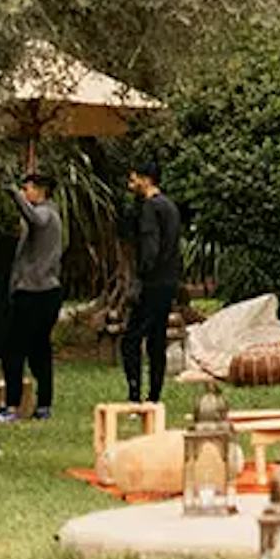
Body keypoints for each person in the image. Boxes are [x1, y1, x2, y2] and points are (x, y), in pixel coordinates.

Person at [0, 169, 65, 420]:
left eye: (28, 189)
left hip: (36, 294)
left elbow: (34, 217)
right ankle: (43, 404)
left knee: (13, 350)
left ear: (40, 190)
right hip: (42, 292)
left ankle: (12, 406)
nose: (25, 193)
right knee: (39, 350)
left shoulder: (47, 214)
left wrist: (13, 193)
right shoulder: (46, 216)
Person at [118, 164, 186, 405]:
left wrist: (139, 279)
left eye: (134, 178)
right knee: (157, 339)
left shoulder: (149, 208)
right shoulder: (170, 207)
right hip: (168, 280)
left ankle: (135, 394)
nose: (130, 183)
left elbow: (150, 247)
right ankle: (155, 395)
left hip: (152, 282)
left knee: (131, 340)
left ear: (146, 180)